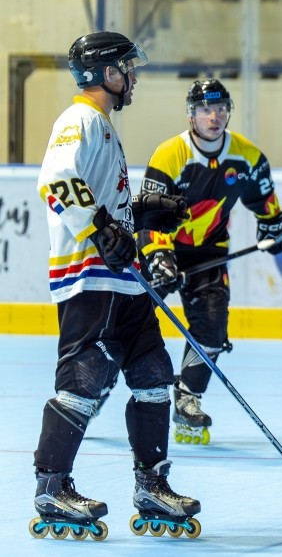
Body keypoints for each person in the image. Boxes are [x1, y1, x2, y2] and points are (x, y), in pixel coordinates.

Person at [32, 31, 200, 540]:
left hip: (125, 281)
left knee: (153, 374)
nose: (133, 77)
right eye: (127, 68)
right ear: (107, 73)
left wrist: (145, 212)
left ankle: (152, 485)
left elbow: (103, 196)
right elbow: (56, 180)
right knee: (84, 379)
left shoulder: (102, 125)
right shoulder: (79, 120)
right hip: (90, 276)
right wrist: (103, 228)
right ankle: (51, 487)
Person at [135, 78, 282, 445]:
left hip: (210, 250)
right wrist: (160, 258)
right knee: (130, 320)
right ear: (192, 114)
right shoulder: (169, 154)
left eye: (220, 109)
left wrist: (275, 229)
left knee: (213, 326)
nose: (214, 116)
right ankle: (101, 384)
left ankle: (187, 397)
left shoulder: (247, 157)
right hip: (163, 246)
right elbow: (148, 218)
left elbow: (266, 206)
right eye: (206, 109)